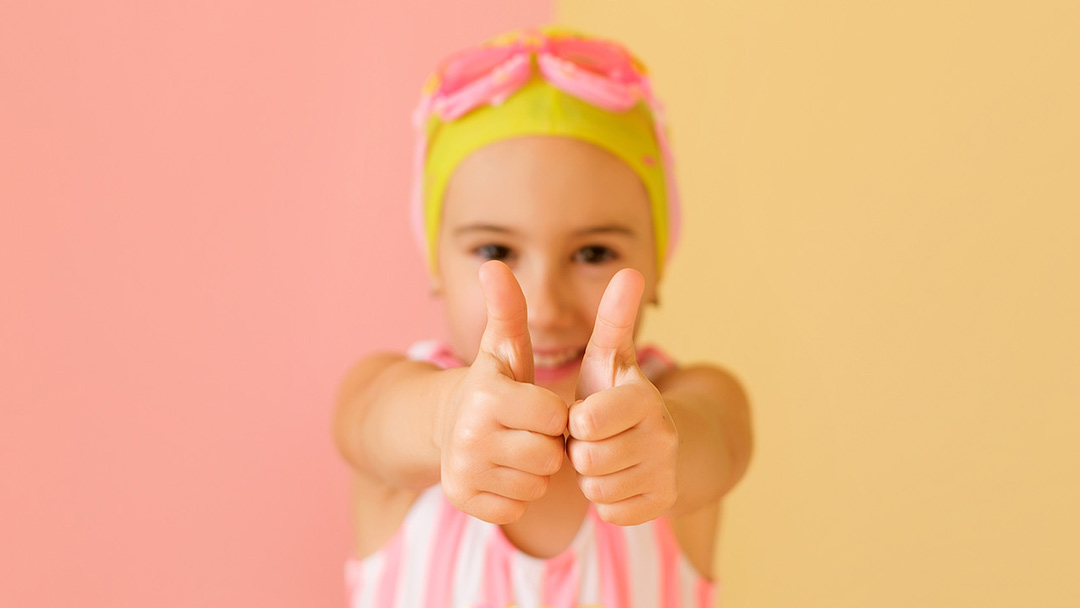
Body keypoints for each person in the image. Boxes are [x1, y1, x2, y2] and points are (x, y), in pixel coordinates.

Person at [334, 26, 753, 607]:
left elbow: (718, 439)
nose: (546, 308)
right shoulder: (398, 400)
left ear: (659, 262)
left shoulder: (687, 409)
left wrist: (668, 451)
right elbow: (369, 421)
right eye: (495, 252)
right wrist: (448, 417)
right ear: (436, 262)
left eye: (592, 254)